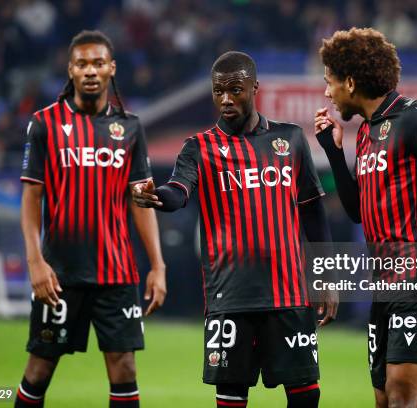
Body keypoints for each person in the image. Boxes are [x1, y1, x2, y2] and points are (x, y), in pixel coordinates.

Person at [133, 51, 337, 408]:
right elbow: (179, 191)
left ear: (254, 88)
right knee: (230, 399)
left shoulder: (290, 140)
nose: (226, 99)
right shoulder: (198, 148)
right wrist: (157, 196)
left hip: (288, 295)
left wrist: (326, 278)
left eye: (235, 90)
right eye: (218, 91)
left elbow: (313, 213)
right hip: (230, 299)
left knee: (306, 396)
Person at [315, 28, 417, 408]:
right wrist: (334, 154)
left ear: (351, 82)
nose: (327, 92)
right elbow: (357, 211)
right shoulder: (366, 133)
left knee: (404, 394)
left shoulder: (415, 118)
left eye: (330, 82)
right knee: (385, 399)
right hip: (385, 282)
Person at [15, 30, 166, 408]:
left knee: (125, 369)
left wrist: (158, 265)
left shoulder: (130, 127)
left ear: (112, 68)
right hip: (60, 274)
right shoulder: (44, 123)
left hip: (117, 274)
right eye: (82, 64)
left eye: (98, 63)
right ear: (70, 70)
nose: (90, 71)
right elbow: (32, 197)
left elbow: (141, 202)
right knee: (39, 370)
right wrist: (35, 260)